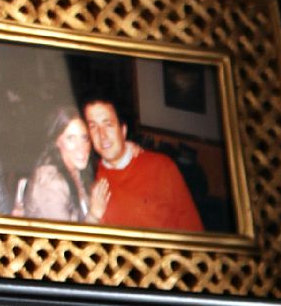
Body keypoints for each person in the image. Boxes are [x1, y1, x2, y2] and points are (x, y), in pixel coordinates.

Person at [82, 97, 204, 232]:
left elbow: (193, 229)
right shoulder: (89, 180)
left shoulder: (161, 167)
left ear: (123, 130)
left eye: (108, 124)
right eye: (93, 127)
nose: (102, 135)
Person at [15, 109, 95, 222]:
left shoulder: (76, 170)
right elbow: (65, 238)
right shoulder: (50, 183)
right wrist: (95, 214)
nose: (81, 147)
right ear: (57, 141)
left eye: (84, 138)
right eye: (71, 138)